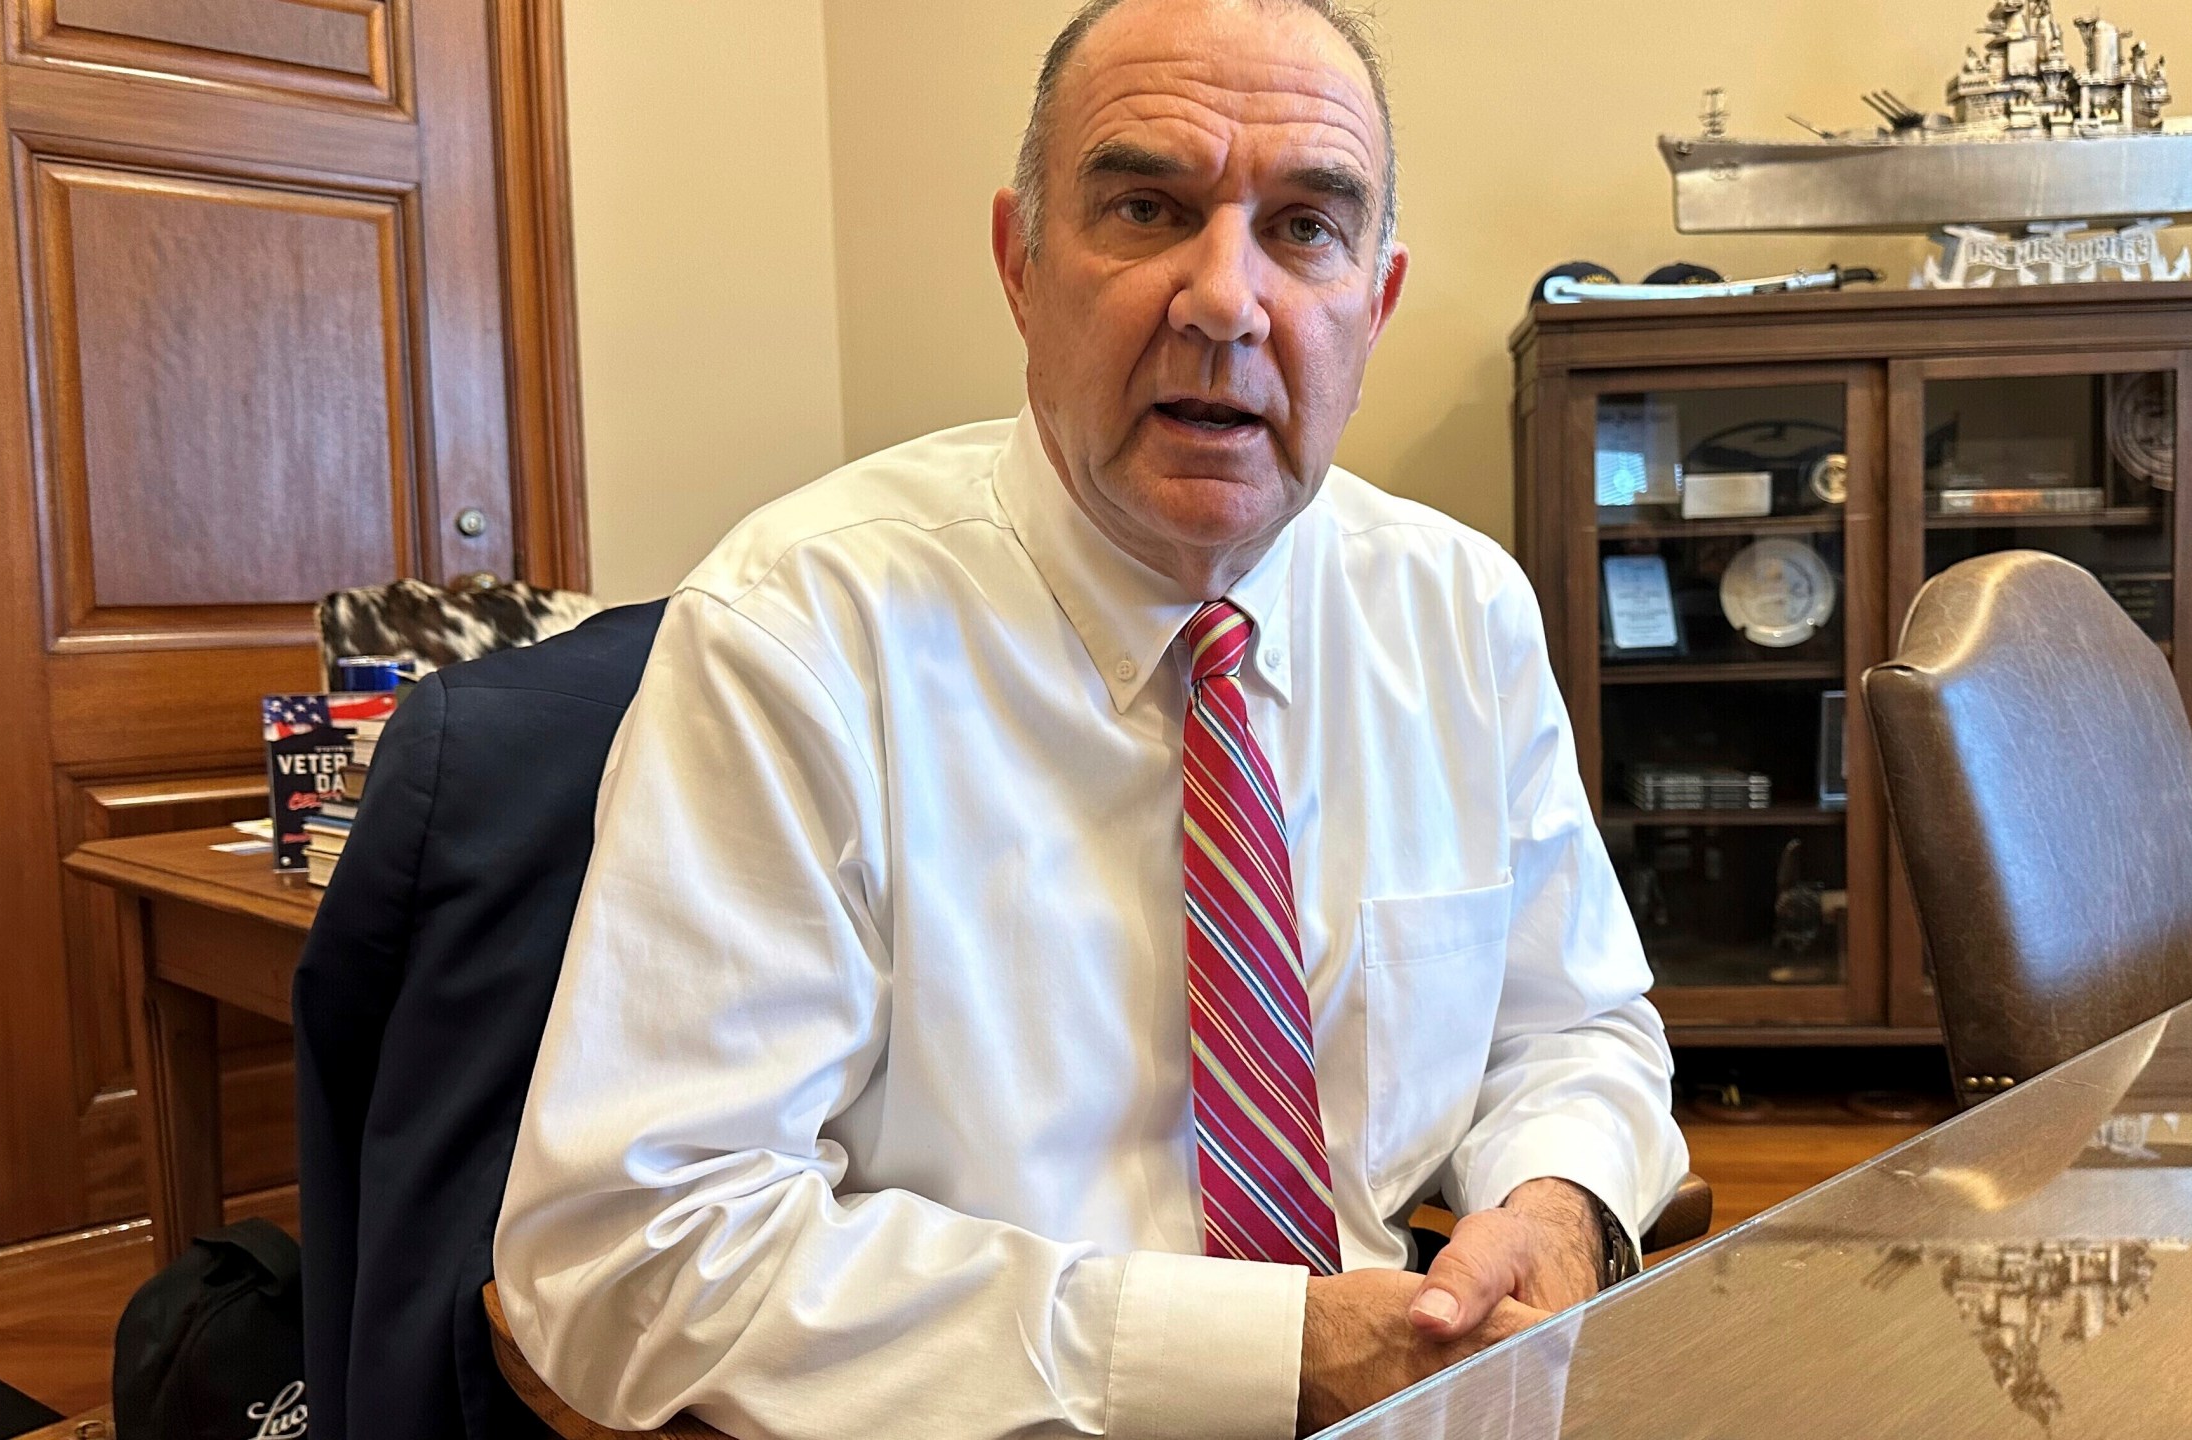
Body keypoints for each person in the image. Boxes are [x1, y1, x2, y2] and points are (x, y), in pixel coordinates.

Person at [491, 1, 1688, 1435]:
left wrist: (1560, 1208)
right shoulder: (801, 633)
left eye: (1307, 228)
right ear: (1020, 262)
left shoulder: (1461, 612)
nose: (1226, 301)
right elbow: (632, 1256)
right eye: (1145, 207)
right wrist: (1271, 1351)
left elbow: (1575, 1030)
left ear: (1376, 300)